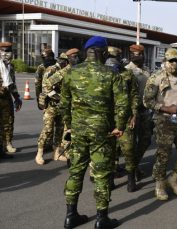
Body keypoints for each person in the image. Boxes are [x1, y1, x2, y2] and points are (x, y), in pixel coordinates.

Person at [61, 36, 129, 229]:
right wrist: (120, 126)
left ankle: (70, 215)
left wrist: (69, 124)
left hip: (79, 130)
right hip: (102, 131)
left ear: (87, 52)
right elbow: (122, 104)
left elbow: (64, 104)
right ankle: (101, 218)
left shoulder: (71, 73)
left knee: (75, 172)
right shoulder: (111, 74)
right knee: (101, 174)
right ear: (103, 52)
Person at [143, 48, 177, 201]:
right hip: (162, 119)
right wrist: (166, 108)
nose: (173, 64)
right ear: (165, 61)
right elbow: (147, 101)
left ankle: (174, 178)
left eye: (176, 61)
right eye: (170, 61)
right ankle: (160, 184)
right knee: (163, 154)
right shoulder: (156, 77)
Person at [105, 46, 140, 192]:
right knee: (109, 150)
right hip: (106, 118)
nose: (112, 61)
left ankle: (131, 178)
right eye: (110, 58)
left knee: (129, 149)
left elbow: (134, 96)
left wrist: (134, 114)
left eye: (115, 58)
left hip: (125, 118)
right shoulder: (102, 74)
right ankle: (111, 177)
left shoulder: (128, 75)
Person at [46, 48, 81, 161]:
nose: (77, 59)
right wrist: (59, 98)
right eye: (74, 57)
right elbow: (47, 85)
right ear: (69, 59)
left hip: (79, 108)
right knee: (67, 131)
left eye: (78, 56)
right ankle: (69, 156)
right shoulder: (64, 71)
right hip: (68, 108)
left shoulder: (81, 70)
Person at [125, 44, 153, 181]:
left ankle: (134, 165)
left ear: (143, 55)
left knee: (146, 140)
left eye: (139, 54)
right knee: (130, 144)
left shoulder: (147, 70)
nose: (136, 56)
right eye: (134, 54)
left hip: (146, 110)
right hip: (131, 112)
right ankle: (132, 169)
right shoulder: (126, 70)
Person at [35, 53, 69, 165]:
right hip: (51, 105)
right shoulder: (51, 70)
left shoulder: (67, 71)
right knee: (48, 129)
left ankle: (57, 153)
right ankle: (39, 153)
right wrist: (58, 97)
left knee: (59, 130)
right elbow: (45, 86)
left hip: (61, 106)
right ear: (63, 61)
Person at [0, 41, 22, 157]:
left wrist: (17, 97)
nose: (7, 53)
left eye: (9, 51)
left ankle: (7, 144)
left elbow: (12, 83)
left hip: (7, 98)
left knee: (8, 121)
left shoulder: (10, 66)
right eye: (4, 51)